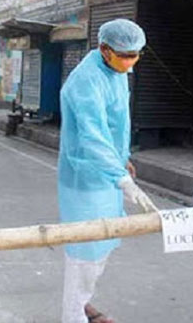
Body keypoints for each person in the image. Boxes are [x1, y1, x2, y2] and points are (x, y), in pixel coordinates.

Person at [58, 19, 156, 323]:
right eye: (126, 55)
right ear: (104, 49)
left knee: (102, 245)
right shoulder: (86, 80)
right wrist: (122, 178)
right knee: (84, 253)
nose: (131, 61)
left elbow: (116, 122)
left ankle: (82, 304)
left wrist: (121, 160)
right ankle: (72, 316)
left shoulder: (117, 70)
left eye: (136, 54)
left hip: (108, 171)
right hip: (85, 176)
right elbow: (93, 135)